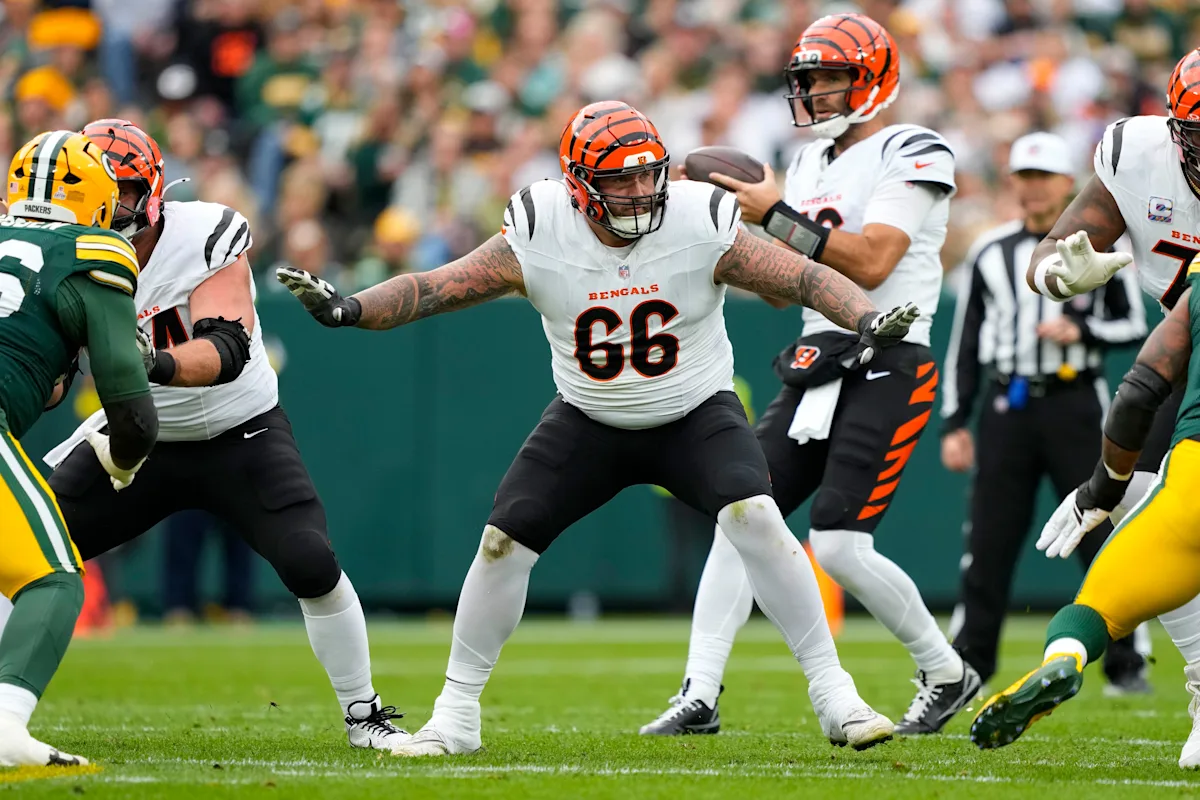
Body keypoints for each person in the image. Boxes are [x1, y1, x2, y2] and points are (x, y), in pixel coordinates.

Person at [279, 100, 921, 757]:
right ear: (578, 186)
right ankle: (456, 714)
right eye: (621, 179)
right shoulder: (540, 227)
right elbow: (436, 287)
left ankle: (835, 695)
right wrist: (352, 308)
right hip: (590, 415)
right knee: (502, 541)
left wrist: (865, 317)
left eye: (648, 174)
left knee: (755, 516)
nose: (640, 191)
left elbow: (803, 278)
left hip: (694, 410)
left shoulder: (698, 217)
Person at [640, 13, 976, 738]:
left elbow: (873, 262)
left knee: (840, 546)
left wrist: (776, 215)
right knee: (741, 517)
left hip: (890, 354)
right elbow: (782, 287)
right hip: (815, 360)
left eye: (830, 78)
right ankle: (699, 692)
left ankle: (945, 670)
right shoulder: (808, 163)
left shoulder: (913, 148)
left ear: (873, 79)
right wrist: (727, 234)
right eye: (809, 79)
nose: (815, 91)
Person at [41, 119, 410, 753]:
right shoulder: (59, 253)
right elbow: (50, 381)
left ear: (152, 192)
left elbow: (228, 348)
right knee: (22, 547)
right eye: (90, 188)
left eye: (119, 189)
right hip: (137, 433)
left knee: (309, 560)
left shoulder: (203, 234)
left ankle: (363, 713)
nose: (105, 204)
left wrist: (147, 362)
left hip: (239, 427)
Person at [1021, 48, 1200, 767]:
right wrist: (1062, 278)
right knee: (1155, 508)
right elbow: (1046, 256)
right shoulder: (1136, 154)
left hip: (1178, 355)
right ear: (1175, 128)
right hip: (1180, 358)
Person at [942, 132, 1148, 694]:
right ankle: (969, 664)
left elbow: (1134, 326)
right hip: (1006, 405)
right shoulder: (990, 250)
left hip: (1075, 403)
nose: (1033, 189)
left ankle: (1126, 662)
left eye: (1044, 178)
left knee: (1101, 528)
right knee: (989, 538)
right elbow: (965, 342)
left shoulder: (1097, 248)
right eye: (1024, 177)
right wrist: (955, 421)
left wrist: (1081, 329)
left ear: (1066, 184)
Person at [971, 267, 1199, 758]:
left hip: (1191, 479)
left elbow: (1139, 391)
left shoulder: (1196, 282)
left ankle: (1065, 657)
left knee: (1093, 610)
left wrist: (1100, 490)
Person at [0, 129, 156, 766]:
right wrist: (122, 460)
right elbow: (134, 415)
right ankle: (5, 724)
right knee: (54, 578)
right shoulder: (91, 253)